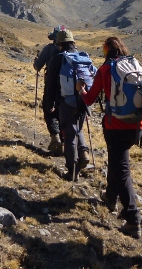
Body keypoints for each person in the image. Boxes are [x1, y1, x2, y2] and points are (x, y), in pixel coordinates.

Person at [76, 36, 142, 240]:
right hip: (137, 126)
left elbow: (89, 98)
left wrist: (81, 90)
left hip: (116, 127)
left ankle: (133, 219)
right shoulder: (134, 65)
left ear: (107, 51)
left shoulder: (106, 70)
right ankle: (110, 198)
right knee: (116, 161)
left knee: (121, 169)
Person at [46, 29, 91, 181]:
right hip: (83, 100)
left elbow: (51, 85)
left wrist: (49, 103)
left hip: (66, 101)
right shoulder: (82, 57)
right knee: (78, 128)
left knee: (69, 134)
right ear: (73, 42)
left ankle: (72, 170)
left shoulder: (59, 58)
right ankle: (84, 152)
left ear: (59, 44)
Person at [33, 25, 64, 154]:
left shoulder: (49, 49)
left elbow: (38, 66)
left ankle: (55, 137)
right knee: (63, 113)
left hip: (51, 85)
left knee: (49, 109)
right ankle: (64, 144)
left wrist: (36, 61)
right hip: (68, 88)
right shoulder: (73, 51)